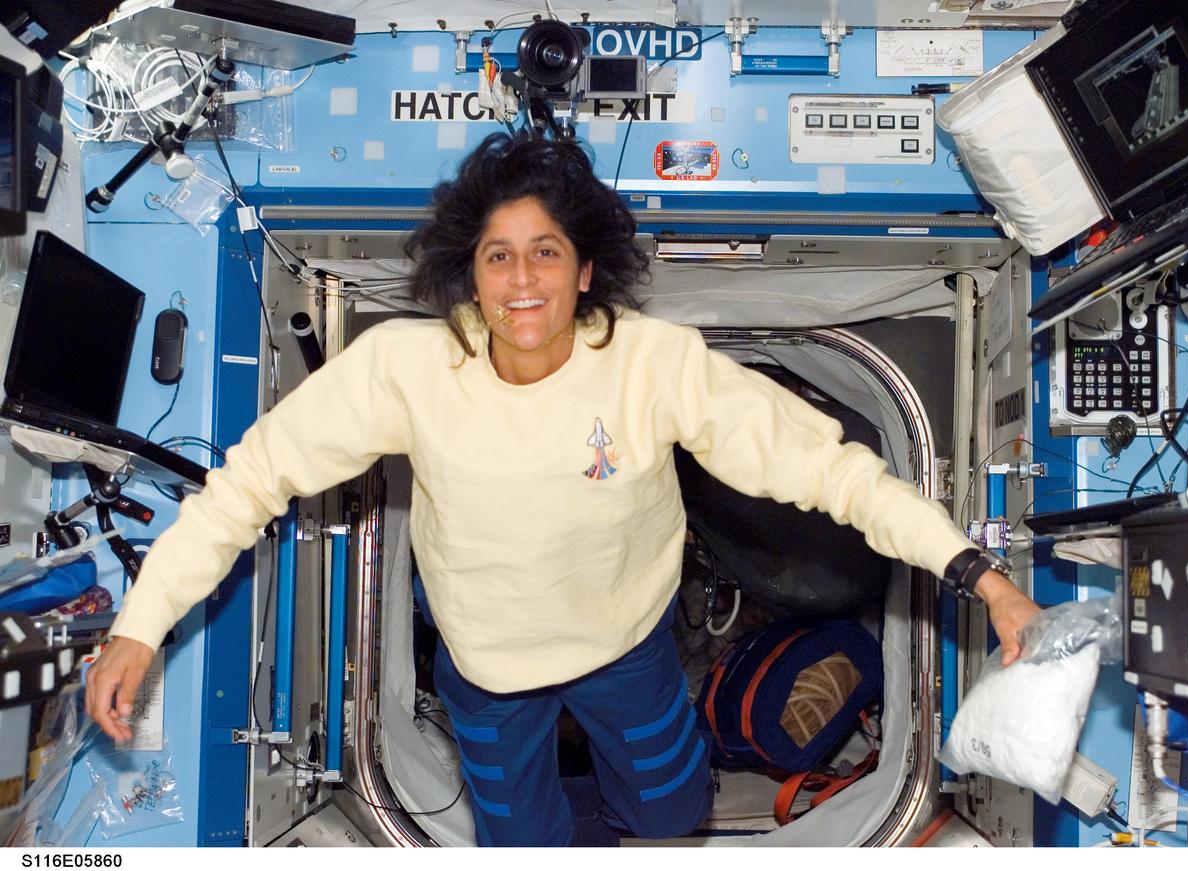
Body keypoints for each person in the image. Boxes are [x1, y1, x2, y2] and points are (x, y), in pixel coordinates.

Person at [87, 131, 1039, 847]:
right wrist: (140, 622)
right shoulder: (405, 371)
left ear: (586, 271)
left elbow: (833, 469)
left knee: (673, 815)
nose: (522, 277)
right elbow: (248, 482)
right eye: (498, 254)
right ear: (470, 273)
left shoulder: (653, 367)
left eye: (546, 251)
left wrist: (979, 575)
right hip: (489, 675)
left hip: (627, 645)